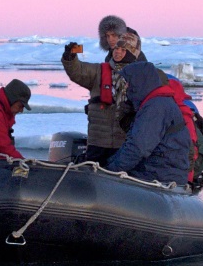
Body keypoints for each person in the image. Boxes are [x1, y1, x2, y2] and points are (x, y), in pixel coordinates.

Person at [62, 22, 146, 164]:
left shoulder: (144, 77)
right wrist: (70, 58)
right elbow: (78, 71)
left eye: (122, 48)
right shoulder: (100, 71)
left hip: (126, 144)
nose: (117, 52)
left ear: (133, 51)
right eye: (115, 48)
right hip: (98, 143)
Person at [104, 62, 191, 185]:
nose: (125, 86)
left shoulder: (156, 107)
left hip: (160, 175)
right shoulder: (154, 103)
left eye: (127, 82)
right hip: (156, 170)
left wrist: (109, 171)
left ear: (138, 82)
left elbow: (138, 147)